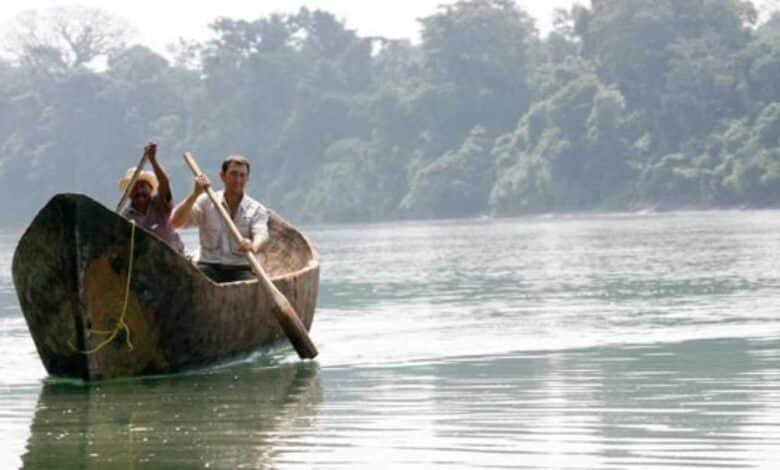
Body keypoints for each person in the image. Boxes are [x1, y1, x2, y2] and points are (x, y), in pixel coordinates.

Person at [171, 154, 269, 283]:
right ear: (222, 176)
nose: (238, 180)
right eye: (233, 174)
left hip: (241, 268)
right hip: (209, 266)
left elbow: (261, 234)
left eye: (242, 175)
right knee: (189, 281)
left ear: (247, 179)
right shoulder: (206, 202)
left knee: (253, 286)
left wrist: (253, 245)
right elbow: (175, 222)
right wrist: (194, 195)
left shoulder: (257, 209)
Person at [119, 142, 185, 252]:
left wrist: (153, 160)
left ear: (150, 189)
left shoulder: (160, 203)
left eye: (142, 187)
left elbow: (164, 183)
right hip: (146, 259)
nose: (139, 191)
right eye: (134, 188)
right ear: (129, 194)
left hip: (173, 254)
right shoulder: (126, 216)